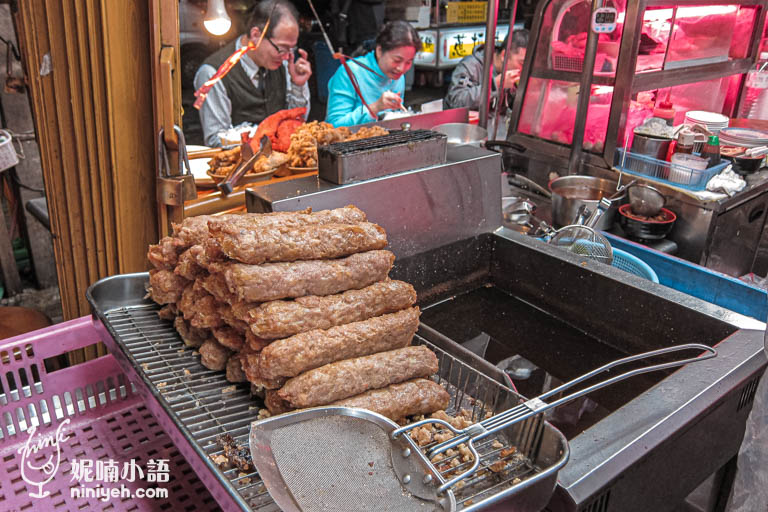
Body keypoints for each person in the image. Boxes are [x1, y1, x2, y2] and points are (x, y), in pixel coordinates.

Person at [194, 0, 313, 147]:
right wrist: (261, 141)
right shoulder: (213, 73)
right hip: (242, 166)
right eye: (282, 48)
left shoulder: (284, 63)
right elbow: (215, 140)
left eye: (291, 49)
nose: (287, 56)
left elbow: (298, 123)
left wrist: (298, 86)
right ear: (256, 35)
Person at [325, 21, 421, 127]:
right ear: (379, 51)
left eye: (408, 62)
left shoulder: (398, 77)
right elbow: (333, 125)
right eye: (397, 60)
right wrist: (375, 107)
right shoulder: (349, 72)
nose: (401, 68)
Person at [444, 29, 529, 111]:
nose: (524, 70)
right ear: (504, 55)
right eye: (522, 63)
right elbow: (456, 102)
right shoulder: (471, 66)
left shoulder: (516, 74)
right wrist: (495, 85)